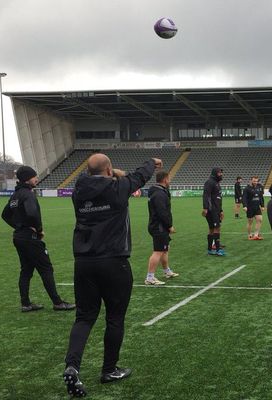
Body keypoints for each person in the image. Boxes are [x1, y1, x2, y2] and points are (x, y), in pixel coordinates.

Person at [63, 154, 161, 397]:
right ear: (108, 171)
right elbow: (139, 176)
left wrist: (108, 171)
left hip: (84, 263)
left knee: (84, 317)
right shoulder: (118, 188)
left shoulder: (79, 190)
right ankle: (109, 369)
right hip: (114, 262)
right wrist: (152, 162)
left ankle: (72, 366)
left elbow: (95, 176)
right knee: (114, 318)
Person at [1, 166, 75, 312]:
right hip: (30, 238)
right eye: (35, 176)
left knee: (26, 270)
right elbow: (32, 214)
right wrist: (38, 230)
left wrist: (18, 226)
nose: (37, 179)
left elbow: (5, 215)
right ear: (28, 178)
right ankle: (58, 302)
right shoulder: (28, 194)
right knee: (46, 268)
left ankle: (26, 304)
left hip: (19, 237)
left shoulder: (15, 195)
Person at [145, 171, 179, 285]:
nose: (170, 181)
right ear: (165, 179)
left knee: (165, 249)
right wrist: (169, 225)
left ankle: (167, 271)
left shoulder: (159, 192)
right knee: (158, 251)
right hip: (159, 227)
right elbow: (162, 212)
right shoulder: (159, 194)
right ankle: (150, 277)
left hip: (158, 226)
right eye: (169, 178)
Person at [202, 167, 226, 256]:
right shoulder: (210, 182)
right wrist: (205, 208)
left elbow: (218, 199)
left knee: (212, 228)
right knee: (216, 228)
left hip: (216, 209)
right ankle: (218, 249)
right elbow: (206, 195)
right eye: (220, 173)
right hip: (212, 209)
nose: (221, 174)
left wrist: (221, 210)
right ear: (215, 173)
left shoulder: (216, 183)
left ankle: (210, 249)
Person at [242, 176, 265, 240]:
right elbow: (244, 198)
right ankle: (249, 235)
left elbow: (260, 197)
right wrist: (244, 206)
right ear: (251, 181)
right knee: (250, 222)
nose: (255, 182)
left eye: (256, 181)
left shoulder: (259, 187)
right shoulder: (247, 188)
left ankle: (256, 235)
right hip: (250, 208)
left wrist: (262, 205)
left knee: (260, 219)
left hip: (257, 207)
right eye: (254, 181)